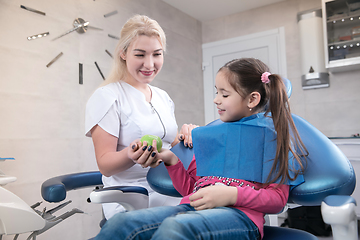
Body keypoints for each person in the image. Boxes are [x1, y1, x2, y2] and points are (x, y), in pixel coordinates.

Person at [94, 58, 308, 240]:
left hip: (240, 218)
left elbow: (277, 200)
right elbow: (194, 189)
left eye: (224, 94)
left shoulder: (273, 140)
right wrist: (171, 160)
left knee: (175, 229)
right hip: (192, 209)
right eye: (217, 92)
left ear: (252, 98)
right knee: (121, 223)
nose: (216, 100)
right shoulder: (212, 136)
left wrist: (231, 194)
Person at [85, 15, 197, 220]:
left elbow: (170, 146)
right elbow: (105, 165)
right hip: (133, 196)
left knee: (218, 209)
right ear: (123, 53)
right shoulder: (108, 96)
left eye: (157, 54)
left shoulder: (163, 97)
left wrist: (188, 136)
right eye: (140, 54)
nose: (149, 63)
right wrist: (131, 154)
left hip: (172, 185)